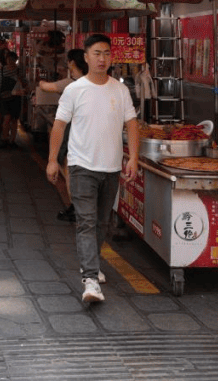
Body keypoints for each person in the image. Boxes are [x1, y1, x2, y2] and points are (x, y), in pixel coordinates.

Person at [46, 35, 139, 304]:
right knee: (86, 221)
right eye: (97, 53)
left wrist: (133, 157)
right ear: (85, 57)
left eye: (107, 53)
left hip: (110, 168)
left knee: (102, 222)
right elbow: (59, 126)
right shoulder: (75, 90)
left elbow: (131, 123)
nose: (102, 58)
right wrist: (52, 160)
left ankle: (92, 263)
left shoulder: (119, 90)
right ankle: (90, 279)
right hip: (81, 166)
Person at [39, 48, 88, 222]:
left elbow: (47, 87)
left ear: (72, 63)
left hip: (71, 132)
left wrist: (41, 81)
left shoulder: (70, 83)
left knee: (68, 168)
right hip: (87, 133)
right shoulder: (93, 83)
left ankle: (75, 207)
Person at [0, 51, 25, 148]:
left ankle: (12, 140)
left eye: (12, 59)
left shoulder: (19, 71)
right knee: (7, 118)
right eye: (8, 59)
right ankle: (5, 138)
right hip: (4, 98)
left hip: (16, 98)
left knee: (14, 120)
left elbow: (24, 83)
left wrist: (21, 83)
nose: (10, 61)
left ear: (15, 60)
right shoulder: (2, 70)